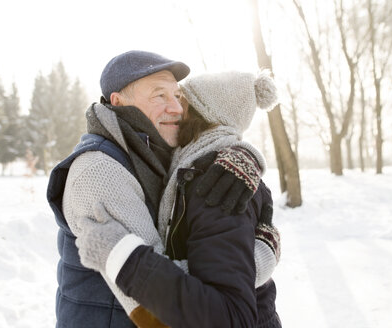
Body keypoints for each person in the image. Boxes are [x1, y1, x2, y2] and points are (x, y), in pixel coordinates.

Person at [46, 51, 280, 327]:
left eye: (177, 96)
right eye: (160, 96)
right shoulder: (99, 171)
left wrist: (243, 154)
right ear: (119, 102)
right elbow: (160, 288)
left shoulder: (156, 156)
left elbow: (214, 138)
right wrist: (260, 254)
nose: (177, 108)